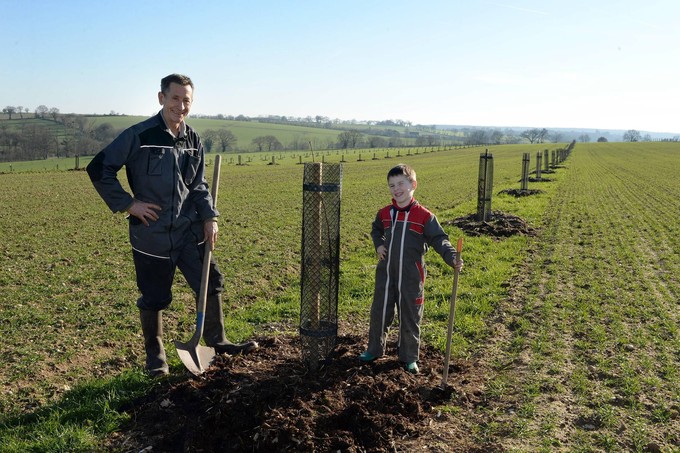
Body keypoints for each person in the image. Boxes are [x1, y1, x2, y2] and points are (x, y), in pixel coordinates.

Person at [87, 73, 257, 376]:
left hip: (189, 231)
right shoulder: (140, 135)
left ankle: (217, 341)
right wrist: (128, 204)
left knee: (211, 282)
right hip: (151, 235)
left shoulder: (193, 140)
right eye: (175, 98)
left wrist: (210, 217)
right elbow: (99, 168)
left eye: (186, 100)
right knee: (154, 297)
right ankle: (156, 357)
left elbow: (199, 185)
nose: (181, 105)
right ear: (161, 98)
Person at [359, 163, 463, 374]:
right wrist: (378, 244)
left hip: (411, 276)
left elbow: (440, 240)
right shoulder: (385, 213)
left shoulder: (424, 216)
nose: (396, 189)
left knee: (410, 315)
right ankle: (374, 349)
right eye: (391, 185)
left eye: (400, 184)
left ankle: (409, 357)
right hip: (386, 274)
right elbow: (376, 229)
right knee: (379, 311)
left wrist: (452, 257)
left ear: (413, 184)